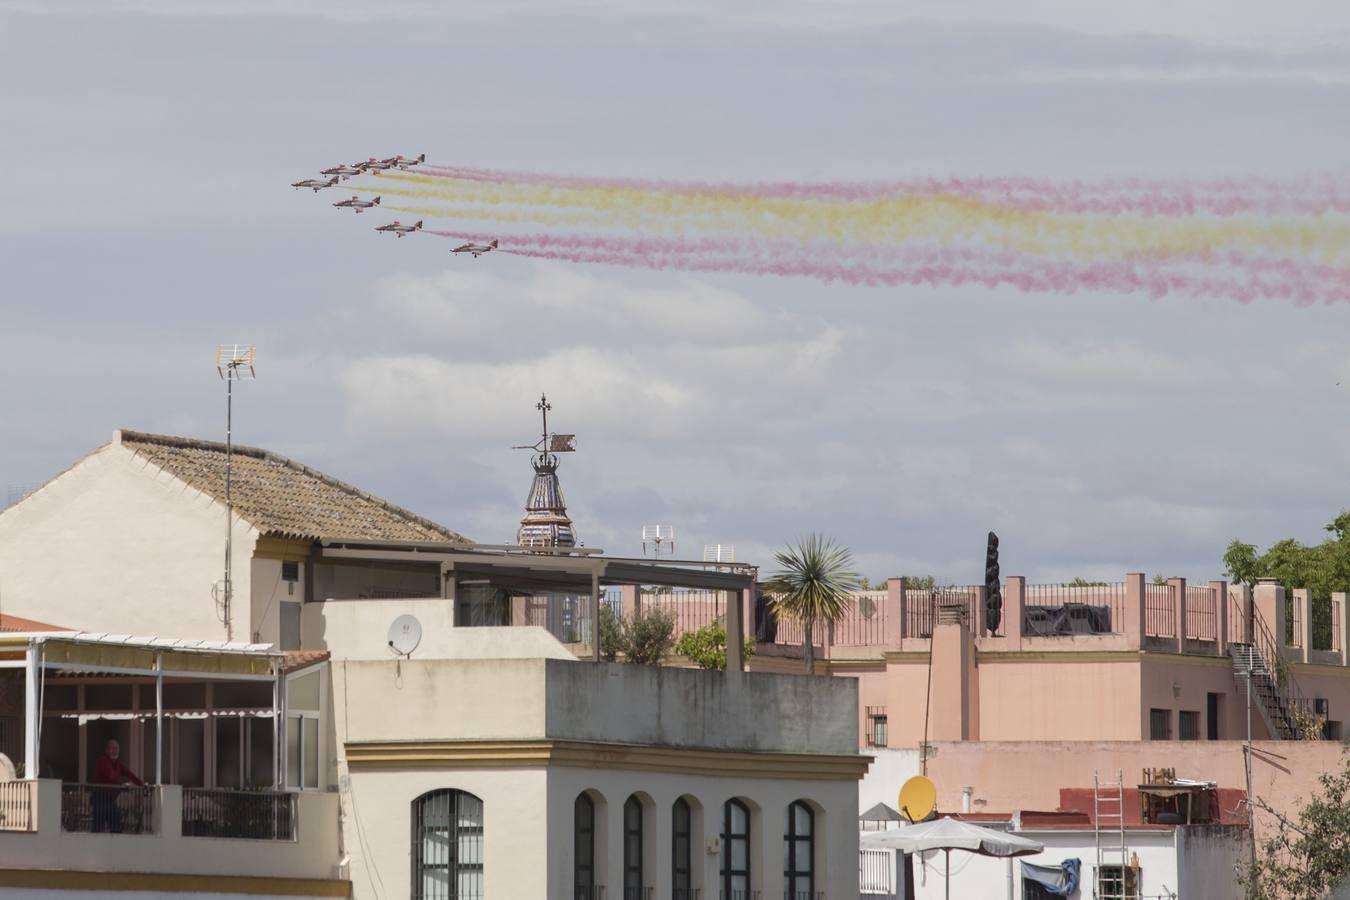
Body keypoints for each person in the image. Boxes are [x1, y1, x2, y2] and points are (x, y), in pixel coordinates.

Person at [91, 739, 143, 833]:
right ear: (107, 750)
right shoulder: (103, 761)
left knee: (116, 823)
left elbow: (129, 774)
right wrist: (122, 785)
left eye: (117, 749)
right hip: (99, 798)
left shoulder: (117, 764)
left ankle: (113, 845)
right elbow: (111, 776)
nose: (116, 751)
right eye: (113, 748)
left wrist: (142, 784)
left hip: (109, 800)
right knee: (98, 828)